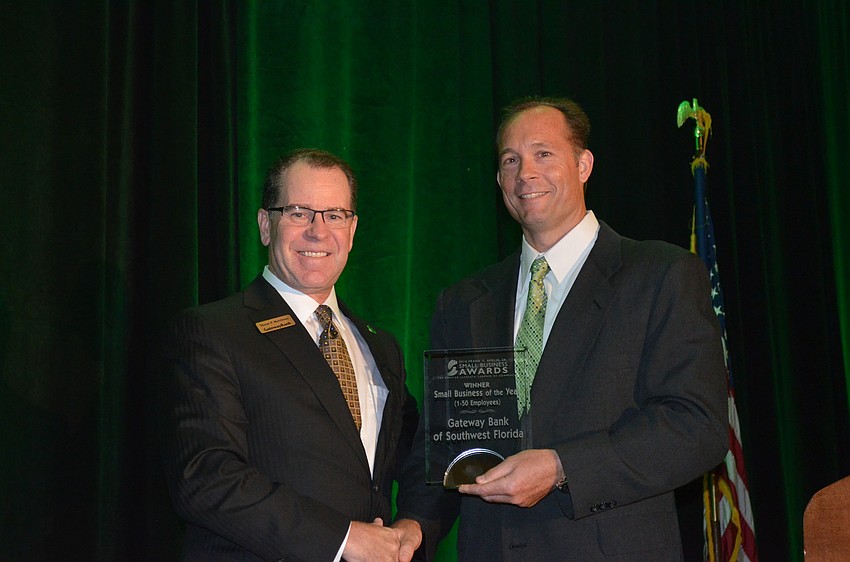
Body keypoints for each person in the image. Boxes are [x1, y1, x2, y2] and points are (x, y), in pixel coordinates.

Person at [394, 97, 729, 561]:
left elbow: (697, 427)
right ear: (499, 180)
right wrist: (413, 527)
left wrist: (561, 467)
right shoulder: (463, 302)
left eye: (543, 154)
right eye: (510, 160)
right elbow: (446, 445)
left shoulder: (660, 275)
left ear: (584, 165)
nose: (525, 173)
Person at [159, 148, 422, 562]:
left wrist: (414, 524)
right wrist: (342, 539)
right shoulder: (212, 331)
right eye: (299, 213)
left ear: (352, 230)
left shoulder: (380, 347)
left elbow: (420, 456)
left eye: (335, 215)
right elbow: (206, 476)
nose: (318, 231)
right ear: (266, 225)